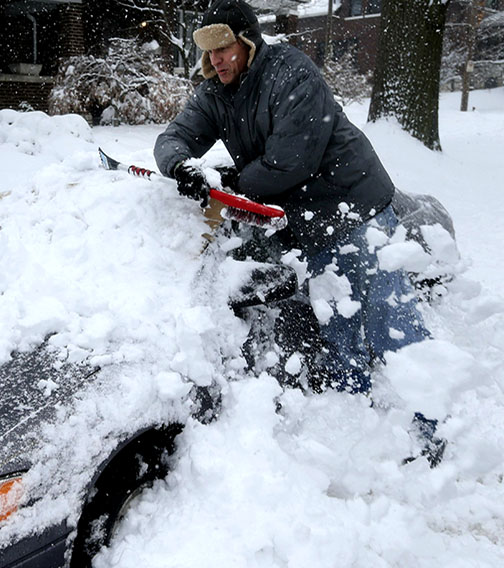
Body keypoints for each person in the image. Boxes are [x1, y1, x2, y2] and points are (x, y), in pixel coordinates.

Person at [155, 0, 444, 463]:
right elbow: (172, 137)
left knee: (391, 324)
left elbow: (291, 162)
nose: (217, 61)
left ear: (247, 41)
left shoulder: (291, 73)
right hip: (305, 223)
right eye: (210, 52)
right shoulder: (215, 93)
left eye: (225, 48)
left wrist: (228, 183)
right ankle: (363, 427)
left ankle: (433, 425)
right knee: (341, 328)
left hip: (355, 210)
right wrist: (182, 166)